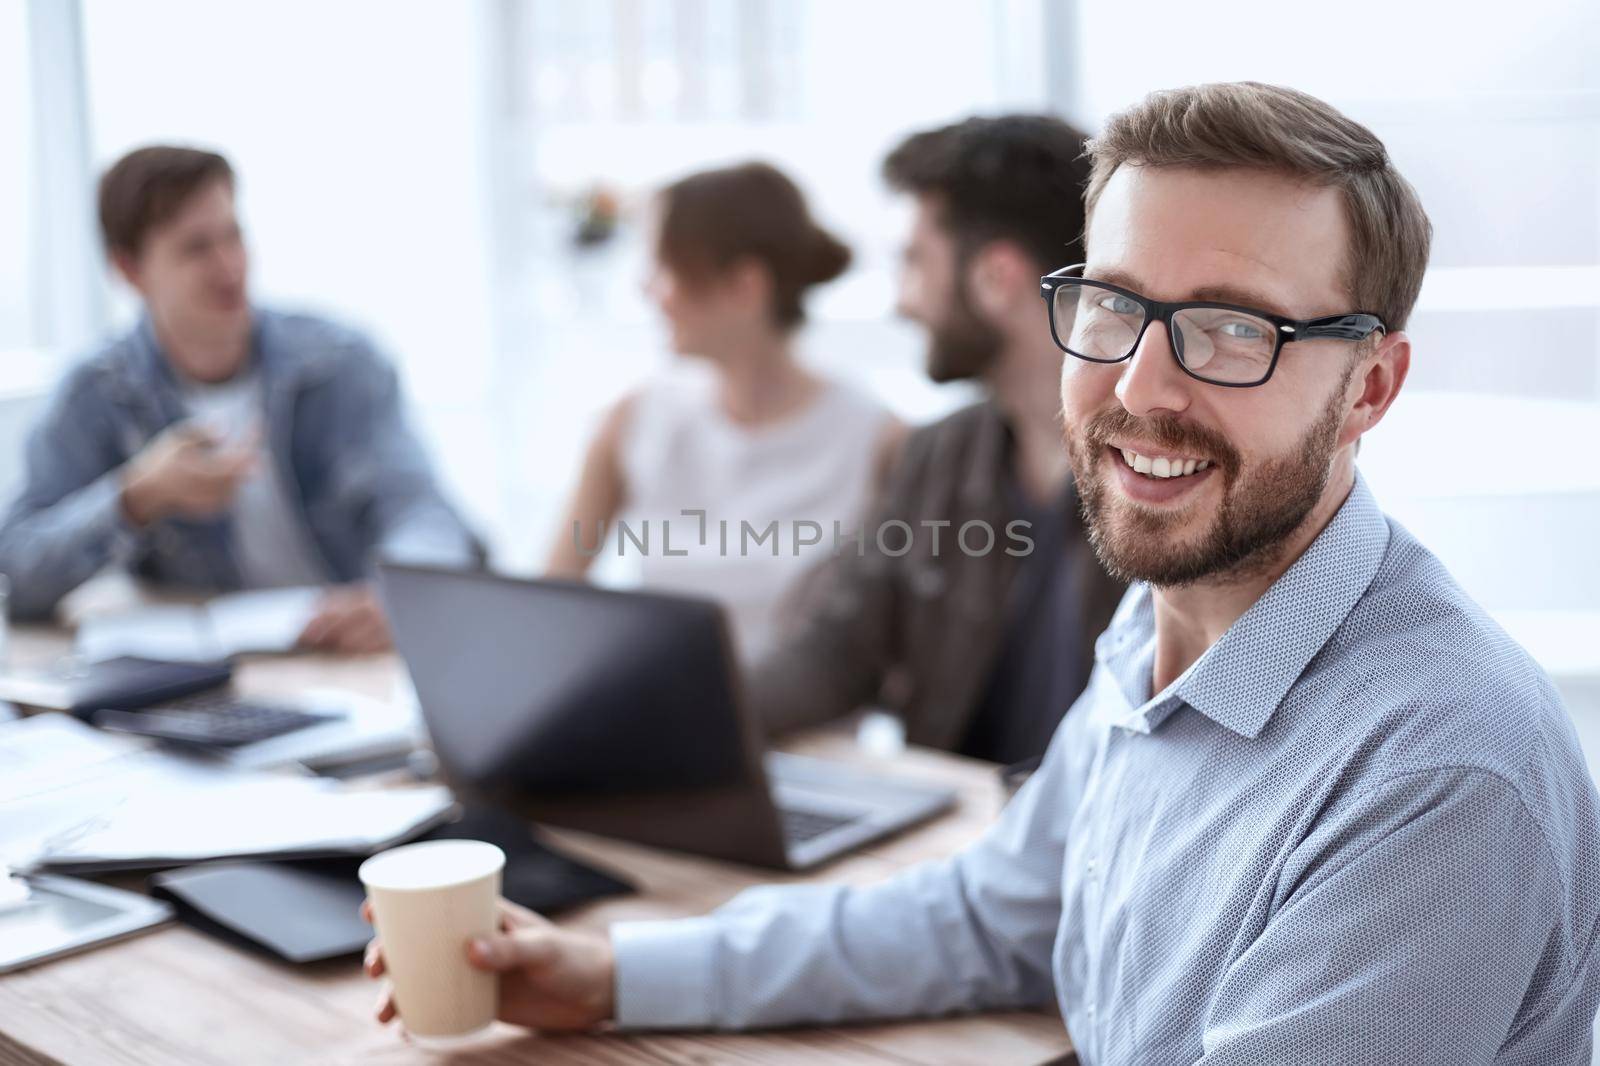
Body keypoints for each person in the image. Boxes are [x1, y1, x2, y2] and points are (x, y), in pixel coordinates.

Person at [367, 83, 1600, 1062]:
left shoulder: (1438, 771)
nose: (1140, 390)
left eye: (1233, 330)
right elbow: (992, 916)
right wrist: (616, 974)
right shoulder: (1170, 625)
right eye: (1113, 307)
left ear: (1369, 385)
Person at [748, 116, 1126, 763]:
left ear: (996, 279)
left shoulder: (1158, 465)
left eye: (915, 262)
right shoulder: (938, 455)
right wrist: (686, 719)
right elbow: (839, 651)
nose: (903, 303)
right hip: (965, 835)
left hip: (1101, 847)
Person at [0, 146, 478, 651]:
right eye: (196, 248)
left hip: (352, 658)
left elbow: (423, 513)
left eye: (234, 236)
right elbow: (18, 571)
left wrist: (396, 595)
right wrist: (137, 497)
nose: (228, 265)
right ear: (130, 269)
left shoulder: (339, 363)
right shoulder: (96, 397)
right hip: (223, 676)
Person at [544, 161, 900, 664]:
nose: (649, 291)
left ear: (745, 287)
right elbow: (550, 601)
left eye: (664, 268)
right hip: (657, 710)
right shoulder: (631, 421)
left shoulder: (879, 440)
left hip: (807, 734)